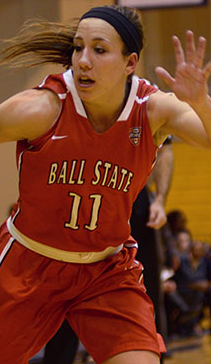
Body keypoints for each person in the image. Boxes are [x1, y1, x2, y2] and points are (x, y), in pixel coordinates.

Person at [0, 5, 211, 363]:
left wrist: (201, 102)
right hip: (30, 264)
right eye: (78, 48)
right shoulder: (43, 108)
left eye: (99, 49)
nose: (83, 60)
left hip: (106, 269)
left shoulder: (152, 108)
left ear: (130, 62)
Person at [43, 138, 175, 364]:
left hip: (131, 194)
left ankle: (149, 355)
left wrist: (160, 200)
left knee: (147, 287)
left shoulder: (148, 103)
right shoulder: (70, 105)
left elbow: (166, 150)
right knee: (66, 281)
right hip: (78, 193)